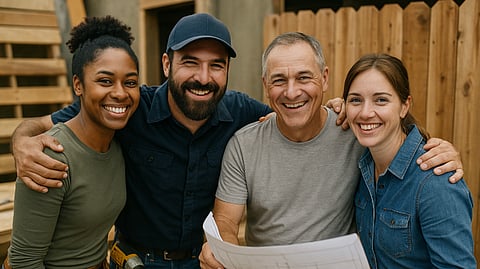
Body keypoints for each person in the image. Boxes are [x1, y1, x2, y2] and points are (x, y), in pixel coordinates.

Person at [11, 15, 461, 269]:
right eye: (191, 63)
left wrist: (432, 147)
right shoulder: (130, 106)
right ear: (167, 64)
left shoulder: (257, 114)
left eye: (217, 66)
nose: (203, 78)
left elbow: (382, 127)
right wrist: (21, 140)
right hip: (139, 262)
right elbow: (63, 122)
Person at [199, 32, 466, 269]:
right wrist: (221, 251)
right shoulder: (244, 145)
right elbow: (226, 221)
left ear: (324, 78)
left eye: (304, 77)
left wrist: (443, 151)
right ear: (265, 84)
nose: (292, 92)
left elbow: (395, 137)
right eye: (279, 80)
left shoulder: (356, 134)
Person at [5, 16, 140, 268]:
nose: (121, 93)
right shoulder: (51, 155)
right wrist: (20, 138)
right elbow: (25, 261)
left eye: (130, 82)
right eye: (105, 81)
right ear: (78, 85)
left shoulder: (117, 145)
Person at [343, 53, 476, 268]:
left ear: (405, 106)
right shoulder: (362, 165)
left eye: (381, 100)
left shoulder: (435, 182)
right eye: (355, 100)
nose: (365, 112)